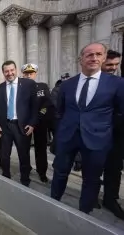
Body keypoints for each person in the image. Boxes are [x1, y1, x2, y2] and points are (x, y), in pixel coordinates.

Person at [50, 43, 124, 214]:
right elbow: (59, 112)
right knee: (60, 173)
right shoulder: (67, 85)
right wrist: (60, 134)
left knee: (91, 179)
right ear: (80, 59)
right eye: (89, 55)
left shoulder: (117, 84)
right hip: (67, 138)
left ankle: (84, 213)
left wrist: (105, 130)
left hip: (97, 140)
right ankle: (53, 204)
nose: (94, 58)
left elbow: (120, 113)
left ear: (104, 58)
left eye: (98, 54)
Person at [0, 60, 38, 187]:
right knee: (4, 155)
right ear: (3, 72)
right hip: (5, 126)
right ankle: (6, 175)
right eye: (6, 71)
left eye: (12, 70)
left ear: (16, 70)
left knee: (23, 155)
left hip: (22, 126)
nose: (9, 73)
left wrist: (32, 123)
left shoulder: (29, 84)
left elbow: (35, 107)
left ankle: (25, 179)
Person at [100, 49, 124, 219]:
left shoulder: (121, 83)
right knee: (91, 168)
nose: (112, 68)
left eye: (116, 64)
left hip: (116, 135)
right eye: (109, 64)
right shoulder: (89, 82)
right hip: (93, 134)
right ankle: (91, 196)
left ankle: (111, 198)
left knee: (114, 169)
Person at [22, 63, 54, 183]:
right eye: (26, 73)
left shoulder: (42, 86)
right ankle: (26, 168)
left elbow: (47, 103)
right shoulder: (20, 88)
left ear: (35, 74)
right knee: (24, 148)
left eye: (31, 73)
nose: (28, 75)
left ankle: (42, 172)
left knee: (40, 148)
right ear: (23, 75)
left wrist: (38, 117)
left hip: (40, 122)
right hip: (25, 122)